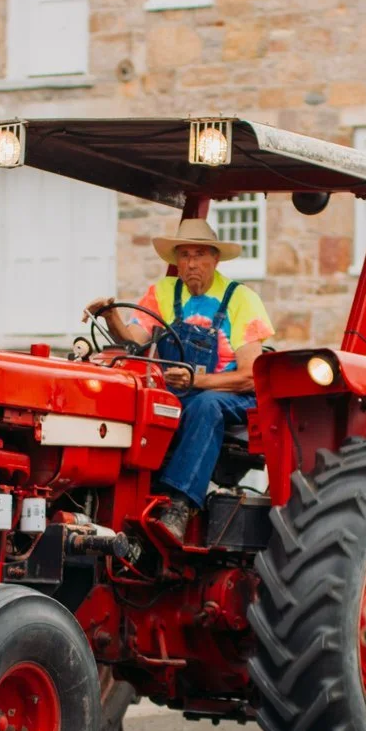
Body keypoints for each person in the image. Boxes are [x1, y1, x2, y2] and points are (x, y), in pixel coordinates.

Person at [86, 214, 275, 542]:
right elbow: (134, 339)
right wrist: (110, 314)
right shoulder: (162, 292)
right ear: (176, 261)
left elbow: (250, 377)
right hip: (181, 391)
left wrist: (198, 382)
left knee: (206, 406)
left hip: (231, 393)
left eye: (200, 255)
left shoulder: (241, 299)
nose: (192, 264)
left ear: (215, 258)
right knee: (135, 400)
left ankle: (180, 505)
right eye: (185, 255)